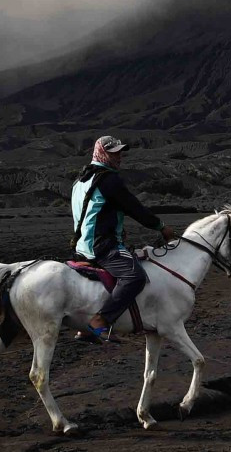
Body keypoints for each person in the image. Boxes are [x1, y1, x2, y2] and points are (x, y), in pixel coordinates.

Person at [72, 135, 175, 342]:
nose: (119, 156)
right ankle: (99, 323)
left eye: (120, 152)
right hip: (102, 247)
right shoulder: (108, 180)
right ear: (102, 153)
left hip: (81, 245)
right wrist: (161, 227)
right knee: (134, 277)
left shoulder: (81, 179)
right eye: (114, 153)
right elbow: (134, 208)